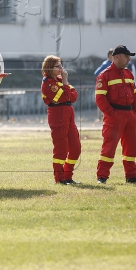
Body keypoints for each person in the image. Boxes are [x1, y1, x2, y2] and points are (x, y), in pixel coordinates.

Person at [94, 45, 136, 184]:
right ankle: (102, 177)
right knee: (109, 147)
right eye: (126, 56)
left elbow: (134, 94)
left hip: (129, 115)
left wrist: (134, 111)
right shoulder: (104, 75)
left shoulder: (128, 74)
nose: (129, 59)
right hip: (114, 116)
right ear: (117, 57)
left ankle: (131, 176)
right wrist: (112, 114)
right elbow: (100, 98)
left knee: (131, 147)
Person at [40, 55, 81, 185]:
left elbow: (73, 96)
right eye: (58, 66)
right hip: (58, 115)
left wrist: (65, 84)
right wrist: (65, 82)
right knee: (61, 149)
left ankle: (68, 176)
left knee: (75, 148)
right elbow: (64, 97)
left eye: (61, 65)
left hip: (68, 115)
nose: (61, 69)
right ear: (49, 68)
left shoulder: (60, 80)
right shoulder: (48, 83)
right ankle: (60, 178)